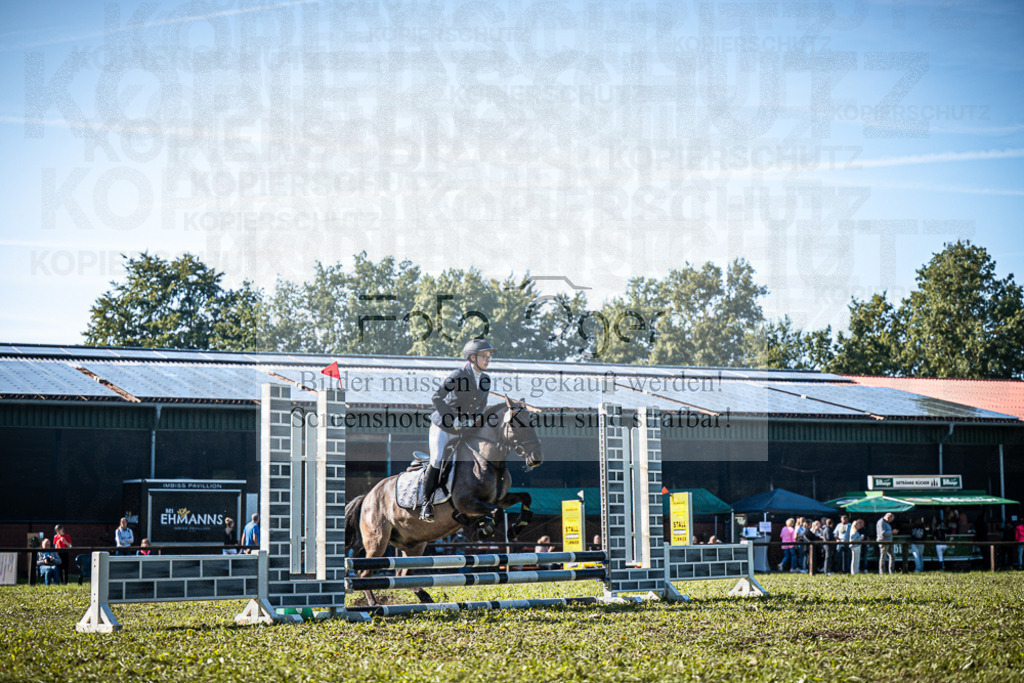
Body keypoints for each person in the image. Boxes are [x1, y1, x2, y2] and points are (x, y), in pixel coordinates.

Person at [420, 339, 495, 522]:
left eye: (489, 356)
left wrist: (473, 420)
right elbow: (437, 397)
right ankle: (425, 504)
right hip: (443, 426)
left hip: (464, 429)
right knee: (437, 459)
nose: (488, 360)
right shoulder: (458, 375)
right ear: (472, 357)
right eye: (484, 356)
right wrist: (451, 419)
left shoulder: (485, 380)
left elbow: (482, 406)